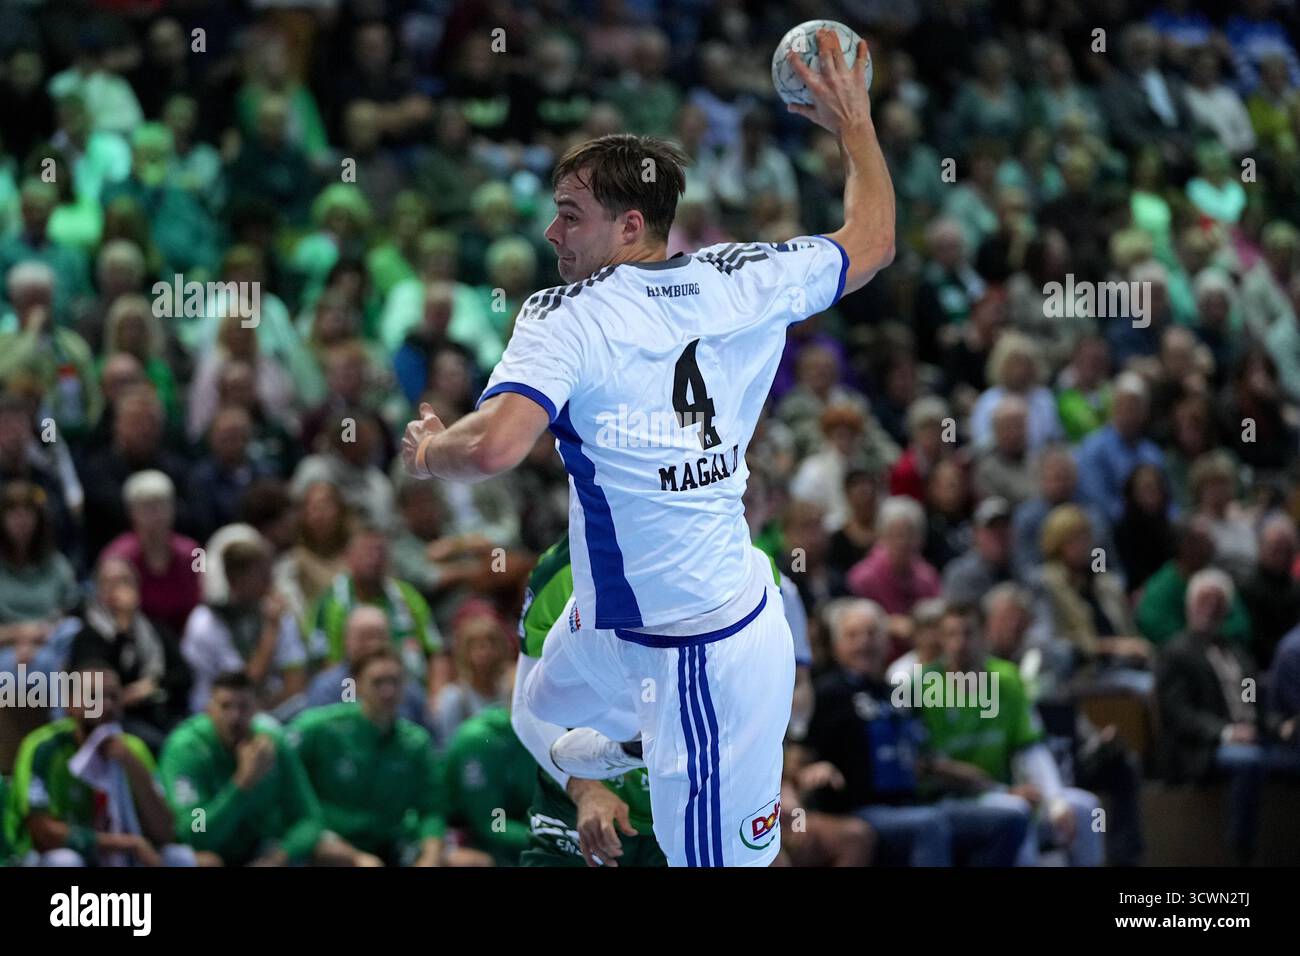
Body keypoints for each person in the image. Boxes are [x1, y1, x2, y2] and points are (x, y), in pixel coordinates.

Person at [400, 30, 896, 867]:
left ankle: (657, 749)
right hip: (616, 623)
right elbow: (872, 240)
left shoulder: (568, 315)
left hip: (699, 651)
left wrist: (428, 452)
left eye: (570, 216)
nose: (553, 234)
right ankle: (623, 751)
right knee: (537, 708)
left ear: (632, 225)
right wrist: (856, 127)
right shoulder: (743, 273)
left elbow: (493, 450)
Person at [803, 598, 1029, 866]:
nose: (864, 643)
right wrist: (813, 767)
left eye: (872, 633)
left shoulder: (896, 692)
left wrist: (984, 783)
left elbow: (924, 756)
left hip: (916, 801)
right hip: (860, 809)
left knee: (1009, 819)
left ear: (886, 642)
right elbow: (800, 750)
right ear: (837, 646)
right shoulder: (827, 692)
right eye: (853, 636)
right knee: (930, 825)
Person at [918, 605, 1106, 866]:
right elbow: (933, 767)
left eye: (968, 633)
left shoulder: (1006, 677)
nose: (960, 643)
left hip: (1007, 792)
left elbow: (1031, 746)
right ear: (940, 639)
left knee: (1087, 808)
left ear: (984, 635)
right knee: (1016, 812)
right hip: (954, 800)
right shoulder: (923, 685)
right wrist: (1004, 790)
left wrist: (1055, 800)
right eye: (951, 635)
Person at [1153, 569, 1298, 863]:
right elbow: (1179, 714)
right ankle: (1240, 852)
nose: (1211, 608)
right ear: (1190, 605)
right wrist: (1227, 732)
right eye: (1204, 600)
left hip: (1249, 741)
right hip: (1202, 748)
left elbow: (1254, 709)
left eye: (1218, 602)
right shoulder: (1175, 652)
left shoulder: (1238, 653)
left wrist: (1280, 725)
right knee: (1248, 761)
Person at [158, 671, 372, 866]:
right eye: (225, 706)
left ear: (257, 709)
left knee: (338, 854)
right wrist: (242, 784)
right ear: (209, 709)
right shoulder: (187, 750)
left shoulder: (272, 743)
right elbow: (196, 833)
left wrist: (279, 856)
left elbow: (309, 819)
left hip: (263, 851)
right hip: (210, 853)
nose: (235, 717)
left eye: (243, 707)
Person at [6, 661, 197, 867]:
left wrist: (133, 768)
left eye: (113, 697)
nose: (105, 705)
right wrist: (126, 844)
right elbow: (42, 831)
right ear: (70, 704)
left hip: (123, 852)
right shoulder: (44, 747)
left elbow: (165, 832)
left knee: (180, 857)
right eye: (93, 697)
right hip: (49, 855)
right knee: (66, 862)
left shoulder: (133, 748)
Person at [289, 647, 458, 867]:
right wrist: (350, 856)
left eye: (395, 681)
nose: (388, 691)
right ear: (357, 684)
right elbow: (286, 788)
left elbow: (432, 810)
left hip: (390, 843)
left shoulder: (416, 742)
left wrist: (430, 857)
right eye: (378, 682)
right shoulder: (319, 729)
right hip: (328, 839)